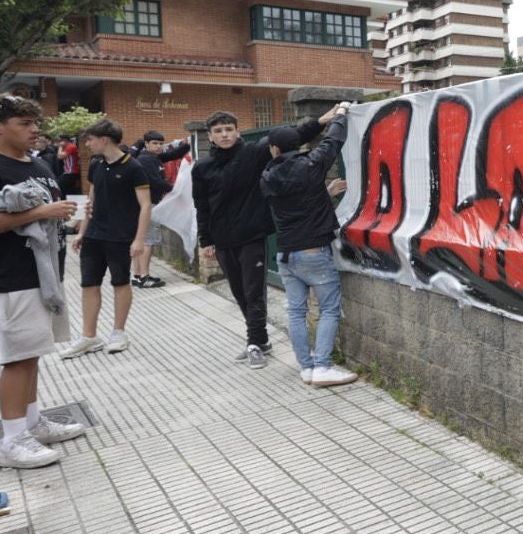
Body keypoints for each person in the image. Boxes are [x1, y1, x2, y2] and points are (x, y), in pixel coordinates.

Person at [0, 95, 86, 469]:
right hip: (10, 278)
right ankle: (11, 439)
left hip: (43, 276)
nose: (34, 129)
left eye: (34, 123)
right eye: (24, 123)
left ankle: (33, 423)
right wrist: (42, 211)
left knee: (32, 353)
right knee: (17, 358)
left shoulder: (37, 163)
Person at [193, 108, 325, 369]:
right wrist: (205, 240)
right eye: (218, 131)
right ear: (210, 136)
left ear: (237, 132)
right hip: (222, 239)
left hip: (252, 234)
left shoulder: (252, 153)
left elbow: (291, 137)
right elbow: (201, 205)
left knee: (254, 291)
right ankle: (261, 341)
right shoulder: (202, 167)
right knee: (239, 292)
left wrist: (320, 121)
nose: (224, 134)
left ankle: (254, 343)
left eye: (229, 129)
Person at [261, 103, 357, 387]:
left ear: (275, 149)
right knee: (328, 308)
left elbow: (297, 205)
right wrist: (341, 113)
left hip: (286, 255)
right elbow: (333, 140)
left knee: (296, 311)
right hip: (314, 252)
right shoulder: (310, 166)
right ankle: (323, 368)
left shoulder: (267, 176)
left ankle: (306, 367)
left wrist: (324, 193)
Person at [61, 119, 150, 358]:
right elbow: (91, 200)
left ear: (104, 139)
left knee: (120, 282)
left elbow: (145, 205)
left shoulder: (134, 167)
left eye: (90, 139)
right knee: (88, 284)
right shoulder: (96, 165)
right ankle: (89, 337)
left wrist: (139, 239)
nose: (87, 144)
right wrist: (81, 231)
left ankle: (118, 332)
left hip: (121, 236)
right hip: (93, 236)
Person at [128, 130, 191, 288]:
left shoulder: (153, 158)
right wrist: (177, 192)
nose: (159, 147)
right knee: (148, 241)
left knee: (141, 241)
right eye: (155, 143)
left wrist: (188, 144)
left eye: (161, 143)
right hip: (147, 205)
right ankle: (144, 276)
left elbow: (173, 155)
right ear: (146, 144)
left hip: (143, 205)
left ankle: (136, 275)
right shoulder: (146, 160)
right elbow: (156, 181)